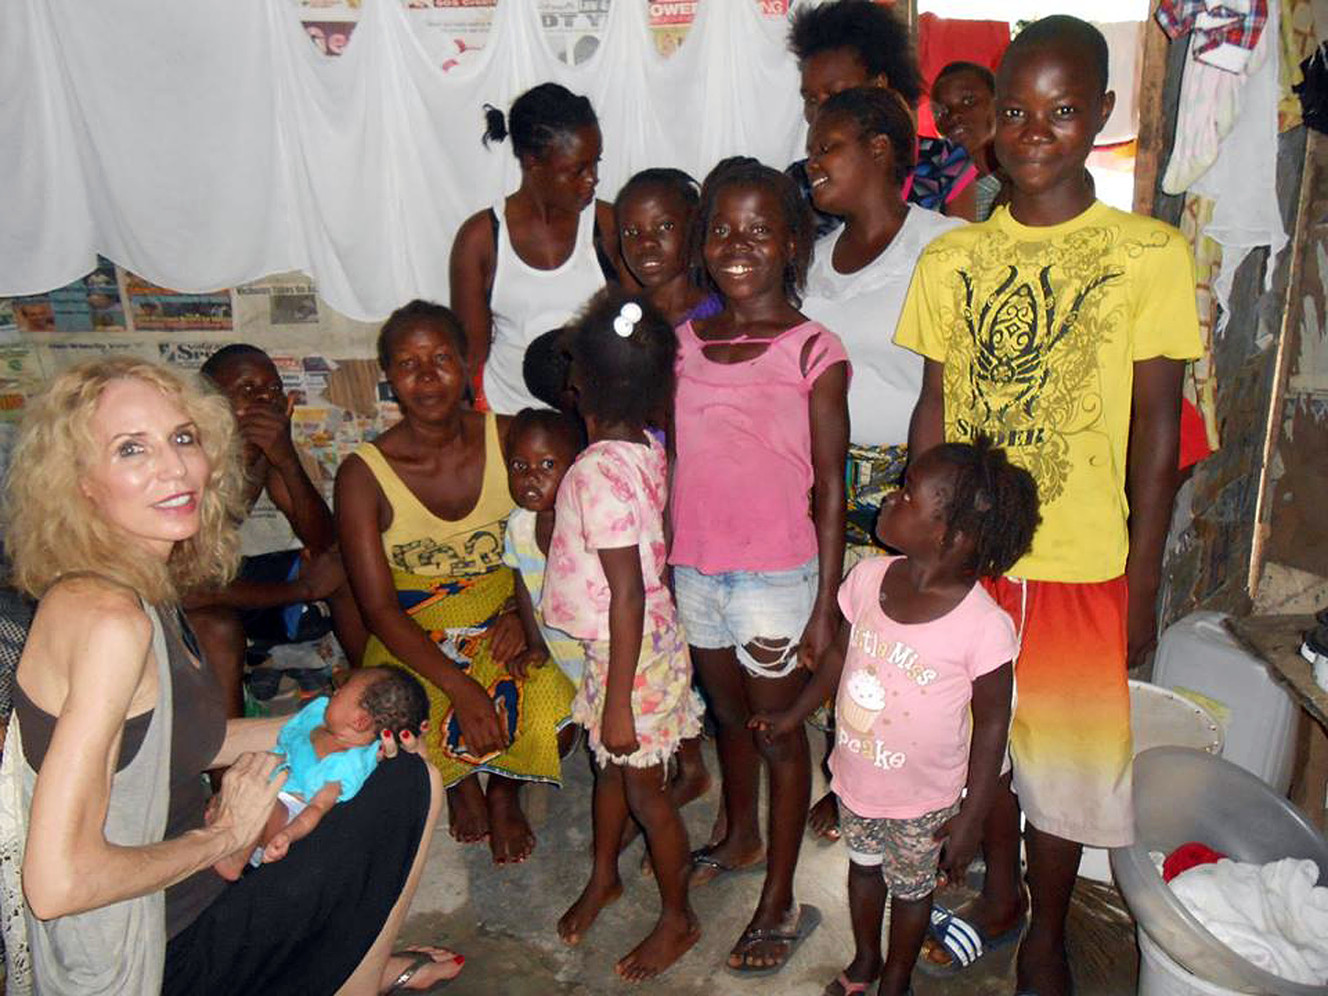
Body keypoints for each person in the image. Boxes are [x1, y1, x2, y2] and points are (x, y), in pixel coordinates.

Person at [895, 17, 1203, 994]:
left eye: (1063, 111)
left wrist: (1143, 572)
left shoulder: (1148, 253)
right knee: (975, 736)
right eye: (1017, 113)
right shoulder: (952, 261)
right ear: (991, 126)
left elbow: (1157, 431)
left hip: (1081, 562)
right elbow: (933, 404)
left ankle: (1046, 933)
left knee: (1066, 767)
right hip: (973, 562)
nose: (1035, 132)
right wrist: (920, 541)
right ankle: (996, 900)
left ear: (1101, 114)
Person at [0, 357, 458, 995]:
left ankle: (354, 967)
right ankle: (360, 980)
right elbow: (56, 885)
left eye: (182, 438)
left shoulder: (133, 580)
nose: (174, 467)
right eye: (132, 449)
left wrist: (325, 727)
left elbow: (177, 743)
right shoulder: (109, 621)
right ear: (79, 482)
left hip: (193, 892)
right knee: (414, 784)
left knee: (384, 765)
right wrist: (224, 836)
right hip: (163, 955)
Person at [752, 439, 1039, 996]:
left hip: (923, 802)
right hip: (858, 778)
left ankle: (898, 978)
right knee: (862, 869)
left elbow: (993, 731)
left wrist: (972, 816)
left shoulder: (984, 628)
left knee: (910, 893)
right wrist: (793, 714)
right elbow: (837, 655)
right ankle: (866, 961)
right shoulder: (868, 579)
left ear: (949, 536)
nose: (890, 498)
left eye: (907, 496)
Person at [670, 158, 849, 974]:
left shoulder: (814, 350)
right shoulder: (683, 343)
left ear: (791, 244)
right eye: (722, 230)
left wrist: (825, 609)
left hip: (776, 580)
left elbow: (833, 486)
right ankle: (739, 836)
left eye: (759, 230)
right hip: (695, 571)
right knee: (726, 713)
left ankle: (780, 898)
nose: (738, 245)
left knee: (779, 734)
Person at [336, 300, 575, 865]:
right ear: (388, 377)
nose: (425, 377)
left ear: (467, 363)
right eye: (408, 363)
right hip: (414, 627)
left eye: (441, 358)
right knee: (397, 729)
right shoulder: (363, 475)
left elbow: (561, 539)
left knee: (557, 711)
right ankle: (461, 784)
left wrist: (524, 614)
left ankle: (502, 790)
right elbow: (379, 609)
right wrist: (464, 689)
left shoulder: (514, 440)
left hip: (506, 609)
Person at [800, 85, 965, 841]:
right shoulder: (814, 252)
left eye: (827, 145)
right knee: (832, 632)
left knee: (883, 642)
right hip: (819, 473)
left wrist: (924, 501)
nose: (811, 162)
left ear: (877, 150)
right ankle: (845, 768)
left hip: (900, 474)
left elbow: (946, 380)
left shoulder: (938, 244)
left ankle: (890, 783)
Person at [545, 290, 703, 982]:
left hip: (629, 652)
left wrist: (616, 703)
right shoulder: (645, 445)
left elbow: (627, 591)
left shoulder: (594, 477)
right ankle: (604, 875)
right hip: (635, 645)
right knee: (611, 772)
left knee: (645, 791)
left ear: (579, 384)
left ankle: (680, 917)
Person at [188, 343, 367, 716]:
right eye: (247, 391)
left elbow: (323, 541)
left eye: (272, 391)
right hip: (184, 593)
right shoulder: (185, 458)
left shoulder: (268, 450)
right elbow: (187, 587)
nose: (264, 402)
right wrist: (300, 590)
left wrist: (285, 460)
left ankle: (371, 689)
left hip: (230, 577)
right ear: (210, 403)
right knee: (217, 627)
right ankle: (227, 765)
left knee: (342, 566)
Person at [450, 82, 621, 415]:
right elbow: (470, 359)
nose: (592, 179)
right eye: (577, 170)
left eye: (595, 163)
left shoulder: (608, 225)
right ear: (532, 163)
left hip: (593, 417)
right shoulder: (481, 240)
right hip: (510, 417)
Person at [211, 667, 428, 879]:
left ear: (359, 721)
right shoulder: (318, 716)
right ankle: (225, 829)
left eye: (341, 693)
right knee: (238, 785)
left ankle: (235, 862)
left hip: (292, 816)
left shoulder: (346, 765)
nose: (334, 691)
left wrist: (288, 835)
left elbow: (317, 808)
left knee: (260, 804)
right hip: (270, 784)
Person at [787, 0, 978, 235]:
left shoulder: (946, 164)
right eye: (811, 99)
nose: (820, 111)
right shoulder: (801, 184)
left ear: (879, 85)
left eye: (835, 94)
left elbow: (966, 259)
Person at [502, 407, 588, 687]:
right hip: (562, 656)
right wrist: (535, 644)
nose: (531, 476)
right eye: (519, 466)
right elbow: (526, 588)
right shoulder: (519, 526)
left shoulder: (587, 524)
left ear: (576, 466)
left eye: (548, 465)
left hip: (605, 655)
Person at [615, 168, 718, 326]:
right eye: (631, 231)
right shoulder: (618, 322)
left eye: (665, 226)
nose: (646, 243)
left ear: (694, 227)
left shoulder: (720, 317)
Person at [931, 62, 1004, 222]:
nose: (954, 115)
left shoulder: (1023, 183)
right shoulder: (932, 192)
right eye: (942, 111)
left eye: (968, 101)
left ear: (998, 103)